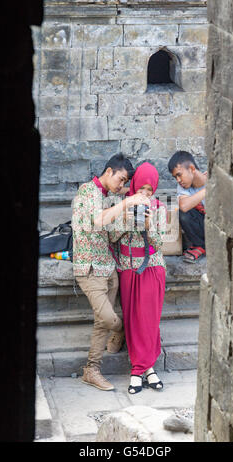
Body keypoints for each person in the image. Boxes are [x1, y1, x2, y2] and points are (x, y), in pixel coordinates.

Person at [71, 153, 150, 391]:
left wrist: (131, 220)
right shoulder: (87, 191)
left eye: (126, 183)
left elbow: (111, 234)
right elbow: (97, 221)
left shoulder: (110, 198)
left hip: (109, 267)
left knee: (100, 322)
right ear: (109, 172)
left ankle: (91, 370)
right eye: (122, 179)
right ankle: (125, 329)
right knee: (107, 318)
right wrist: (126, 203)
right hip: (89, 268)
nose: (122, 186)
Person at [109, 162, 167, 394]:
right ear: (133, 186)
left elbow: (161, 244)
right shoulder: (120, 204)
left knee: (150, 319)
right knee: (133, 319)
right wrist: (126, 218)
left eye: (149, 191)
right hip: (128, 268)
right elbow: (112, 236)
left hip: (152, 267)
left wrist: (148, 224)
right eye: (140, 189)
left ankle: (144, 369)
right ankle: (142, 369)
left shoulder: (159, 208)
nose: (144, 194)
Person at [168, 151, 207, 263]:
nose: (178, 180)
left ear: (191, 168)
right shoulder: (183, 187)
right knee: (182, 212)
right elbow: (184, 206)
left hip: (220, 225)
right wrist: (209, 188)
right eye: (175, 177)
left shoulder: (215, 177)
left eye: (179, 175)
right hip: (203, 226)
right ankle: (200, 245)